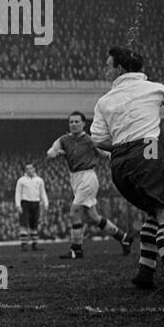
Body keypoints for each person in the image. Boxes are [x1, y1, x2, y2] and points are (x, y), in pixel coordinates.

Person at [90, 46, 164, 289]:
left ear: (119, 69)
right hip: (148, 151)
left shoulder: (104, 101)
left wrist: (123, 147)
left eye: (108, 65)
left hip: (119, 163)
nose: (105, 69)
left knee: (154, 212)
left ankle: (144, 271)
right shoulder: (155, 87)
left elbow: (98, 140)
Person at [45, 111, 133, 259]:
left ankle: (76, 249)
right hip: (74, 178)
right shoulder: (64, 139)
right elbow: (50, 152)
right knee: (93, 217)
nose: (73, 124)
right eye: (71, 122)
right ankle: (123, 237)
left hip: (87, 177)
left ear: (83, 124)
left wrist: (119, 158)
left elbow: (107, 154)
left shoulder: (91, 140)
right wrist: (55, 153)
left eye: (76, 122)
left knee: (75, 211)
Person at [14, 164, 48, 251]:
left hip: (36, 203)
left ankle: (35, 244)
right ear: (25, 170)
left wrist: (46, 203)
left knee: (34, 225)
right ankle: (24, 245)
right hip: (25, 203)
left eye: (31, 168)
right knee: (24, 224)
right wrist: (18, 205)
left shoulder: (39, 180)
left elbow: (43, 192)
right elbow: (18, 193)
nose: (29, 170)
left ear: (34, 169)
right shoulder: (21, 180)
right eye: (27, 169)